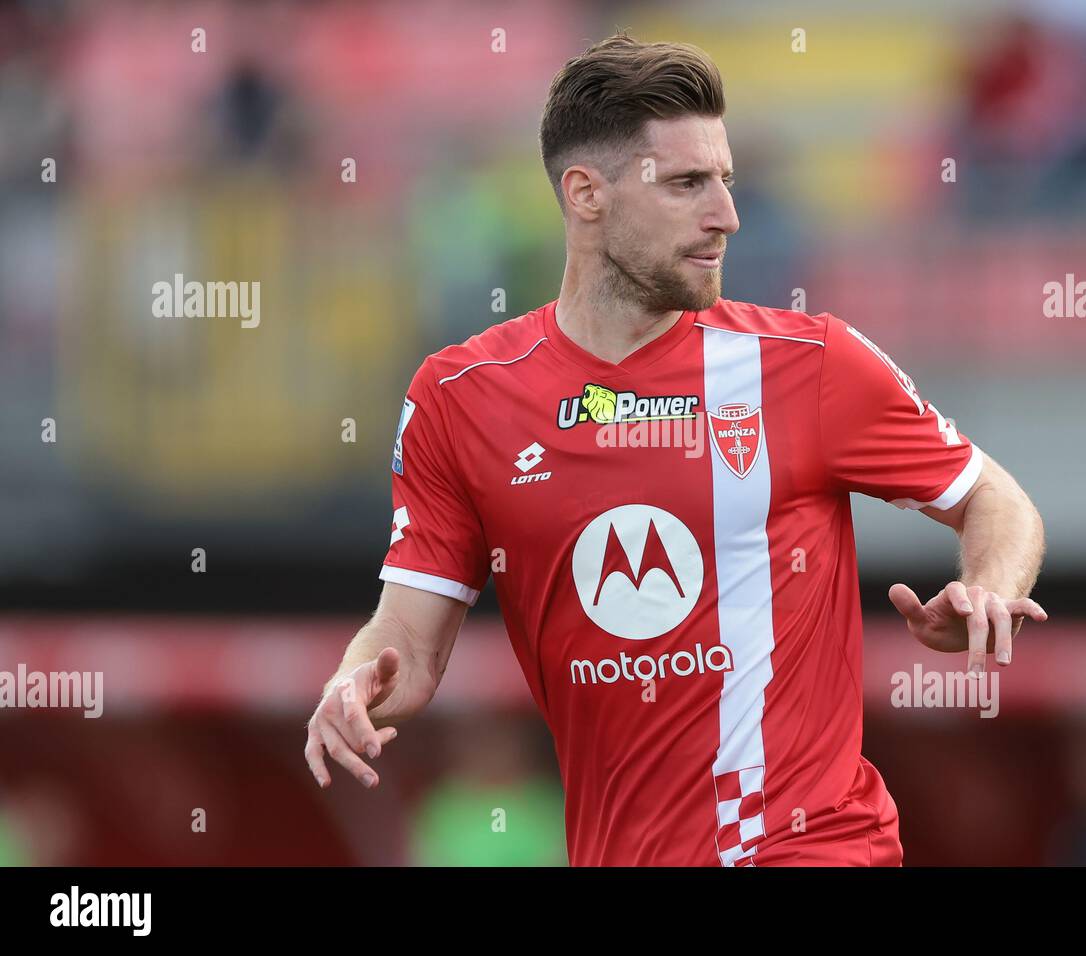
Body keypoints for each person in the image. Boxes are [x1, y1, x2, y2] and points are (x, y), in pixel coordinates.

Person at [305, 33, 1047, 867]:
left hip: (813, 848)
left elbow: (995, 500)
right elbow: (409, 637)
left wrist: (988, 586)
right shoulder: (460, 397)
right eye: (689, 183)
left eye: (726, 180)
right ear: (586, 193)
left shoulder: (813, 364)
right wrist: (356, 682)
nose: (727, 212)